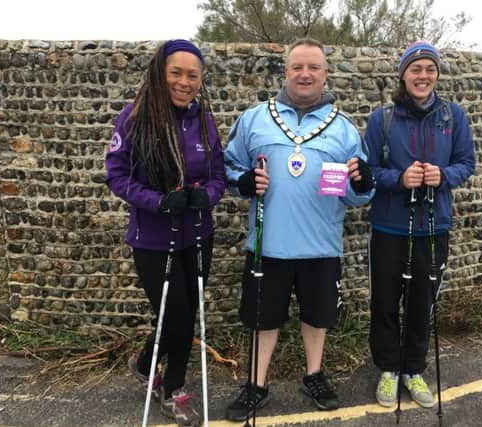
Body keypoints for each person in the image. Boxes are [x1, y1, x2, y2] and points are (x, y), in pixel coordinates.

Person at [223, 38, 374, 421]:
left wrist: (361, 184)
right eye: (297, 67)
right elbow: (227, 167)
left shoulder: (344, 129)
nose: (305, 74)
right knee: (263, 318)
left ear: (325, 74)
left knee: (317, 317)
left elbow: (358, 194)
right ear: (286, 72)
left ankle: (314, 374)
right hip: (267, 244)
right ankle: (256, 384)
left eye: (313, 68)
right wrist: (241, 182)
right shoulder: (255, 118)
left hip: (320, 245)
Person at [105, 39, 225, 426]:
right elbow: (117, 175)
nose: (184, 82)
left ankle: (147, 366)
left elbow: (218, 177)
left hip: (198, 234)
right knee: (175, 316)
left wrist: (202, 196)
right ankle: (172, 388)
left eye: (192, 75)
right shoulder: (133, 118)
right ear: (161, 73)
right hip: (154, 239)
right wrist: (157, 201)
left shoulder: (204, 121)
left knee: (187, 314)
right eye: (176, 72)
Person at [364, 41, 475, 409]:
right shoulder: (382, 118)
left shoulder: (453, 116)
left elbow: (466, 164)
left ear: (437, 74)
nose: (423, 76)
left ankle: (413, 369)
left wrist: (440, 175)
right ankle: (388, 369)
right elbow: (369, 172)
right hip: (389, 226)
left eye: (429, 69)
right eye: (416, 69)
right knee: (384, 301)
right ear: (403, 74)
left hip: (433, 224)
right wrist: (401, 179)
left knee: (421, 302)